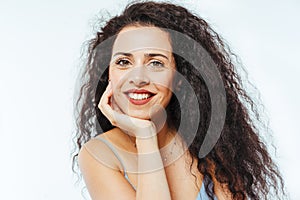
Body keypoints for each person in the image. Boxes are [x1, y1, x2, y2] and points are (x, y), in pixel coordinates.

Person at [72, 1, 286, 199]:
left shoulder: (210, 147)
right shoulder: (98, 155)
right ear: (108, 73)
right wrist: (146, 136)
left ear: (181, 78)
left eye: (155, 63)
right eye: (123, 61)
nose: (137, 78)